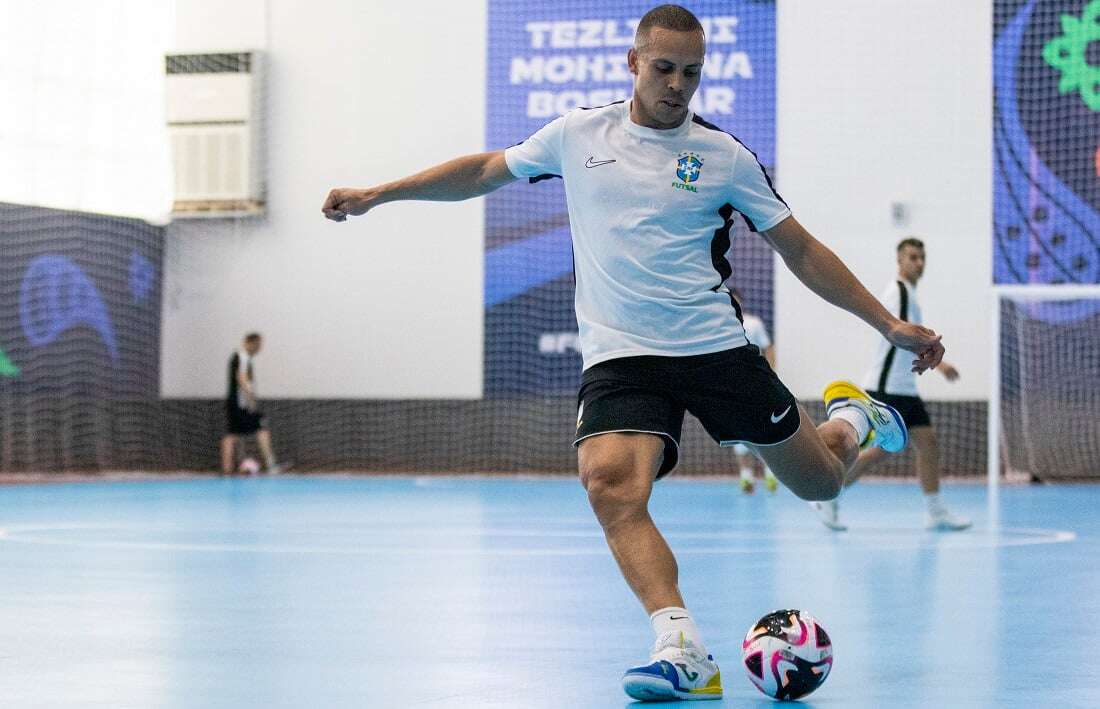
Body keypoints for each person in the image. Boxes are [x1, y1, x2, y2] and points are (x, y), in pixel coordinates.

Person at [322, 5, 944, 701]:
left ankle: (852, 418)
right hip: (621, 354)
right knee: (609, 481)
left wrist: (888, 324)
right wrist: (381, 192)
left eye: (692, 73)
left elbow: (799, 249)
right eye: (665, 69)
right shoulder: (577, 134)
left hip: (714, 347)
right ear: (633, 62)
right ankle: (681, 646)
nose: (678, 85)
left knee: (821, 482)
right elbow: (482, 171)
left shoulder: (725, 157)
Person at [811, 238, 970, 532]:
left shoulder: (909, 294)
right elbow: (899, 334)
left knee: (927, 443)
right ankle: (829, 494)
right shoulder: (899, 292)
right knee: (878, 452)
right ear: (899, 260)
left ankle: (935, 511)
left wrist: (936, 362)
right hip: (888, 388)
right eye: (913, 257)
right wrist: (939, 362)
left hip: (905, 389)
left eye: (922, 257)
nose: (919, 263)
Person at [730, 288, 779, 493]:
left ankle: (770, 473)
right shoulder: (717, 324)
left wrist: (770, 374)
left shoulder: (753, 323)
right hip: (730, 387)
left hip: (756, 384)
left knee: (765, 428)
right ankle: (746, 476)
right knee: (738, 432)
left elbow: (768, 348)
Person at [220, 332, 283, 475]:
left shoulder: (237, 356)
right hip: (241, 404)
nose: (259, 349)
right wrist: (251, 400)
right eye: (258, 345)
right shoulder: (242, 356)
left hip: (234, 402)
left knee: (232, 434)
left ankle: (227, 470)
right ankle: (271, 465)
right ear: (250, 342)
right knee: (261, 428)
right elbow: (241, 378)